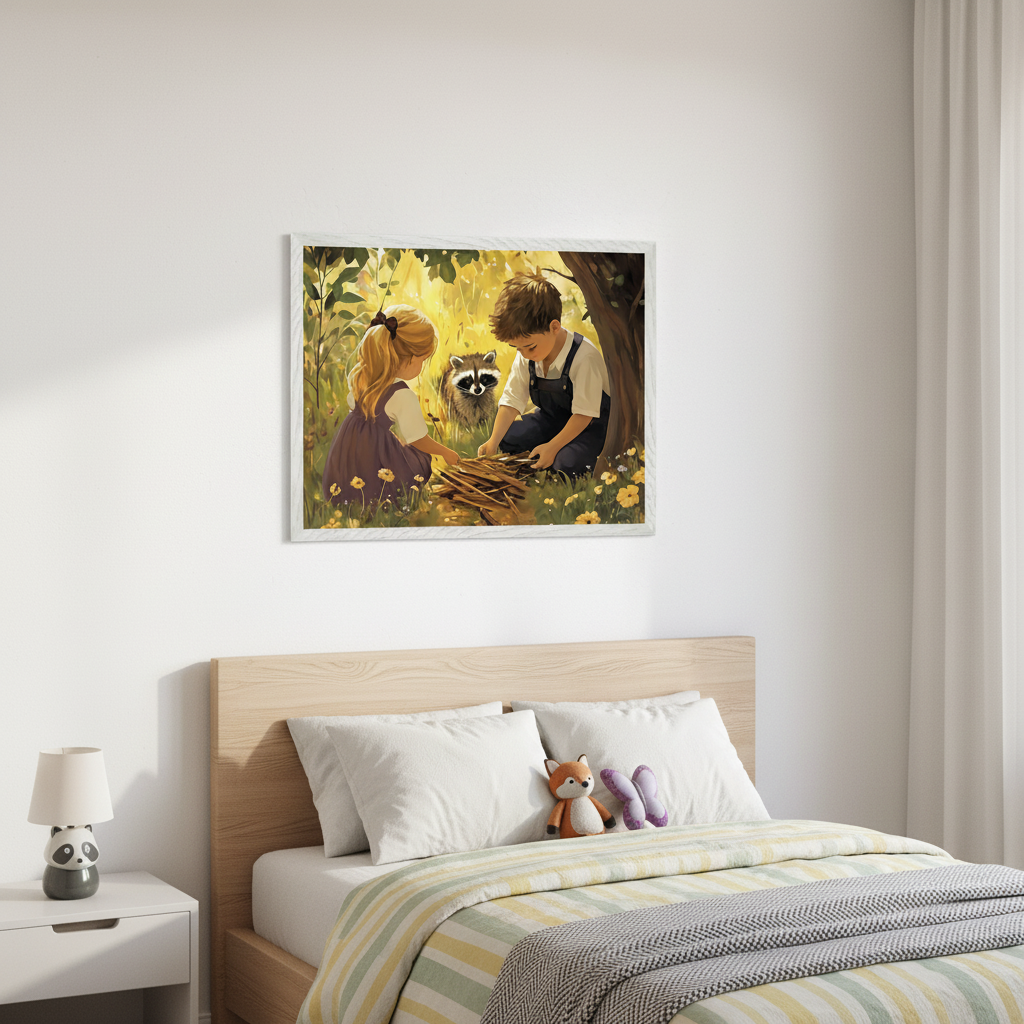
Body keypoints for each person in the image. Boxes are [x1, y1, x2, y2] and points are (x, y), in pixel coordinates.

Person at [322, 304, 458, 509]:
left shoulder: (362, 375)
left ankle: (346, 498)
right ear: (410, 359)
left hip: (346, 451)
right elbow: (419, 439)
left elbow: (355, 406)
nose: (421, 367)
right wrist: (445, 452)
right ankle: (382, 502)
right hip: (374, 458)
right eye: (421, 360)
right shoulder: (402, 395)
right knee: (419, 461)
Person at [477, 272, 610, 478]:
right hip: (551, 421)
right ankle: (544, 456)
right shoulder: (526, 353)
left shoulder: (584, 357)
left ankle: (556, 460)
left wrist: (553, 446)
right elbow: (512, 400)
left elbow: (584, 414)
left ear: (554, 327)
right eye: (517, 348)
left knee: (564, 464)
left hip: (589, 427)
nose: (524, 354)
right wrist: (493, 441)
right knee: (508, 438)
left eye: (530, 347)